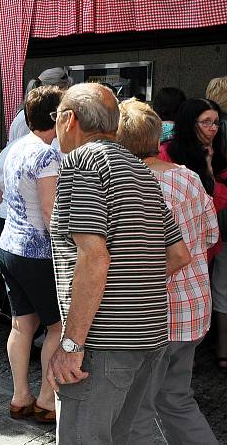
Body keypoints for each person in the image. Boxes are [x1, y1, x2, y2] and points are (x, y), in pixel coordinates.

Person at [48, 83, 190, 444]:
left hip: (105, 341)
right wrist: (131, 286)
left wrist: (70, 346)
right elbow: (177, 254)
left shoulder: (83, 161)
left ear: (69, 120)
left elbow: (93, 257)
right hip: (149, 335)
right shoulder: (142, 169)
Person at [116, 99, 220, 444]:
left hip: (158, 318)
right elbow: (210, 235)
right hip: (194, 308)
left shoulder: (135, 186)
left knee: (138, 413)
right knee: (175, 399)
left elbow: (145, 260)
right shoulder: (187, 175)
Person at [0, 86, 65, 424]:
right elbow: (52, 214)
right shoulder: (47, 154)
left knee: (22, 325)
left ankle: (19, 395)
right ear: (57, 116)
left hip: (9, 245)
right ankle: (46, 400)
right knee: (57, 327)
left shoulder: (15, 147)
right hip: (37, 252)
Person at [159, 98, 227, 371]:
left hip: (202, 243)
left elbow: (220, 200)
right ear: (190, 123)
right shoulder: (167, 153)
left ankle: (188, 350)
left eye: (215, 122)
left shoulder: (216, 152)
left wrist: (209, 168)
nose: (212, 129)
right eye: (206, 122)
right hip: (175, 240)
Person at [9, 67, 73, 142]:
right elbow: (27, 148)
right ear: (53, 91)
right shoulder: (28, 117)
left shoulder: (39, 114)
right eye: (64, 93)